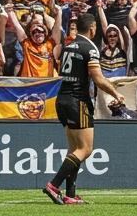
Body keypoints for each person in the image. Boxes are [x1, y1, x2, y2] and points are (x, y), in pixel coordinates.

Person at [45, 13, 125, 205]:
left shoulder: (67, 47)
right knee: (86, 149)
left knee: (74, 149)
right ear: (92, 27)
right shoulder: (89, 48)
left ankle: (70, 194)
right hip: (78, 100)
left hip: (62, 99)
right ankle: (54, 185)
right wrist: (116, 94)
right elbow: (98, 79)